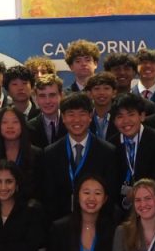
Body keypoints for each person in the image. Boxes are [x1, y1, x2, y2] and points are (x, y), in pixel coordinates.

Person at [40, 92, 117, 221]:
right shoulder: (50, 153)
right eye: (71, 114)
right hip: (61, 223)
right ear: (63, 117)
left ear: (90, 116)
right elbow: (48, 196)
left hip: (98, 222)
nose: (76, 120)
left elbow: (110, 194)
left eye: (82, 114)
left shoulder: (107, 151)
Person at [112, 93, 155, 210]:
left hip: (154, 207)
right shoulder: (111, 145)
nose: (126, 121)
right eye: (120, 117)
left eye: (131, 115)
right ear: (114, 121)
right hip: (122, 210)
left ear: (142, 116)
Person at [0, 105, 42, 201]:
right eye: (4, 122)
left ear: (22, 125)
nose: (10, 126)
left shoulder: (37, 155)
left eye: (15, 122)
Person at [28, 73, 66, 148]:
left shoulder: (71, 123)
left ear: (61, 96)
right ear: (36, 99)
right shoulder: (28, 128)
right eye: (42, 96)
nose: (47, 101)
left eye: (52, 95)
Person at [85, 72, 118, 140]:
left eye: (106, 88)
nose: (102, 93)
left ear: (114, 93)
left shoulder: (120, 116)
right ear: (90, 94)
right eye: (97, 89)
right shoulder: (85, 117)